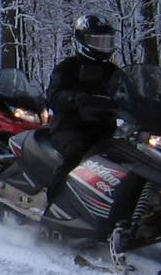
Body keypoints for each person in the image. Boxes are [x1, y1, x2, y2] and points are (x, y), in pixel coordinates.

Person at [46, 14, 120, 190]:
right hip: (70, 129)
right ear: (82, 41)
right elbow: (53, 95)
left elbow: (129, 92)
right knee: (76, 153)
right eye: (98, 41)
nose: (103, 47)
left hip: (106, 130)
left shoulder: (113, 71)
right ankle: (54, 201)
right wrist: (74, 98)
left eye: (106, 41)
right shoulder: (68, 67)